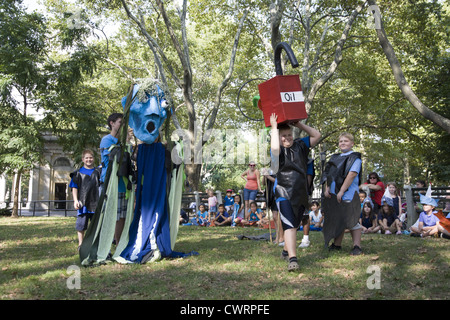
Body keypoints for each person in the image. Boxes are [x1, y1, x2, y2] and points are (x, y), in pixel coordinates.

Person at [270, 113, 321, 271]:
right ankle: (293, 259)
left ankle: (286, 250)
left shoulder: (301, 145)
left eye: (289, 135)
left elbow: (317, 135)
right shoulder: (276, 151)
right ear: (278, 138)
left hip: (300, 192)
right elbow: (274, 148)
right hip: (283, 191)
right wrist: (273, 127)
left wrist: (299, 124)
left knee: (295, 224)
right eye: (283, 136)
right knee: (289, 226)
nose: (286, 138)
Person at [322, 132, 363, 255]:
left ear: (352, 143)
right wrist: (327, 188)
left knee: (351, 218)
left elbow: (352, 175)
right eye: (341, 141)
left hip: (348, 193)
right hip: (334, 193)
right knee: (337, 218)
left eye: (345, 141)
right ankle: (337, 244)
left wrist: (341, 191)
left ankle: (357, 246)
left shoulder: (355, 158)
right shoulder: (334, 158)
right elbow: (329, 174)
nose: (343, 143)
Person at [99, 113, 129, 245]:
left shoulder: (123, 142)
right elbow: (116, 158)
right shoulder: (106, 140)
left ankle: (119, 243)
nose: (122, 126)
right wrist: (126, 143)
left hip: (122, 183)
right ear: (112, 123)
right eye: (119, 123)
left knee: (121, 216)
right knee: (111, 216)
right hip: (110, 183)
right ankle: (105, 244)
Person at [69, 149, 101, 249]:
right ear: (83, 159)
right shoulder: (77, 173)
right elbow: (74, 188)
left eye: (91, 157)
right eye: (87, 158)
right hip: (83, 203)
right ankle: (81, 244)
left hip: (95, 203)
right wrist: (75, 200)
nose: (89, 160)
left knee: (95, 226)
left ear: (94, 159)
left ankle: (94, 243)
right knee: (81, 225)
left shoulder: (98, 172)